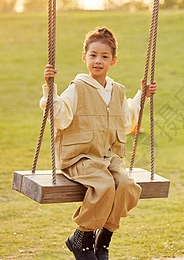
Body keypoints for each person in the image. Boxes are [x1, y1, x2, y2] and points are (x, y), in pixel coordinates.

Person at [40, 27, 157, 260]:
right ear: (84, 57)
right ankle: (82, 238)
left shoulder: (117, 91)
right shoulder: (77, 88)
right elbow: (60, 116)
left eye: (104, 56)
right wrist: (50, 87)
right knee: (104, 185)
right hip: (79, 157)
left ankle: (104, 238)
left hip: (107, 157)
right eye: (93, 55)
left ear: (113, 61)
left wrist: (142, 95)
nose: (98, 61)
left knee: (125, 185)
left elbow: (126, 121)